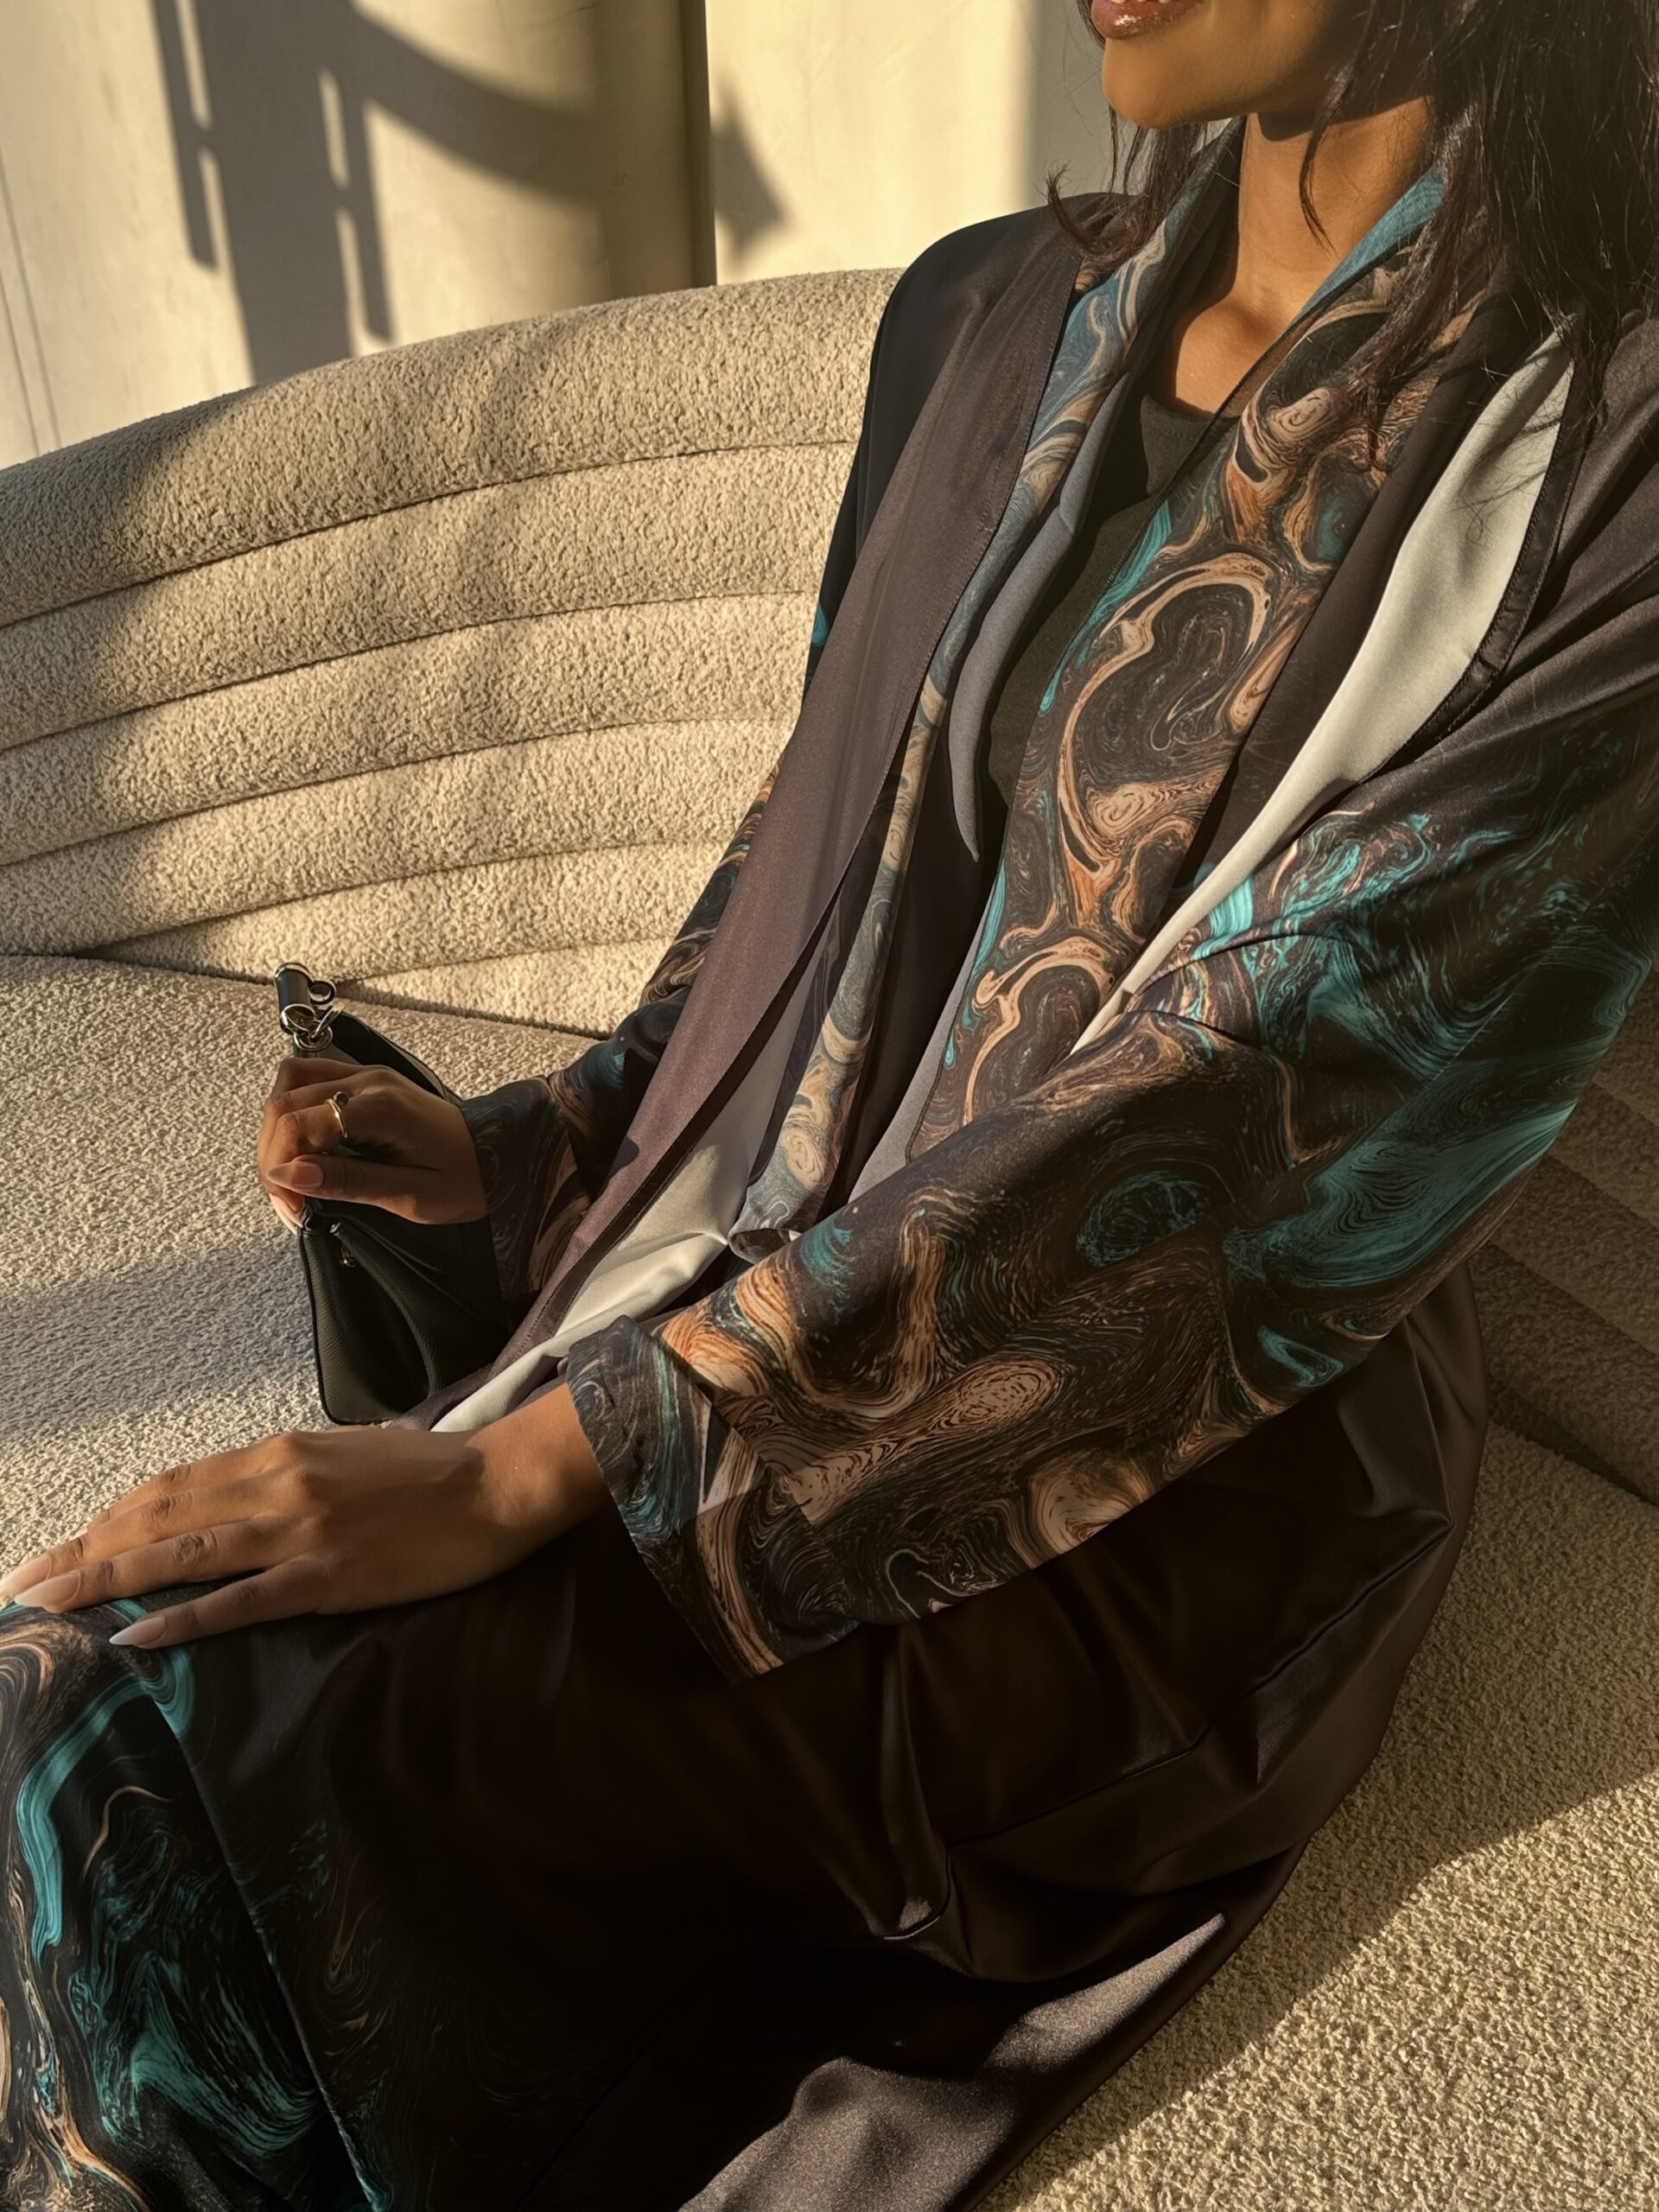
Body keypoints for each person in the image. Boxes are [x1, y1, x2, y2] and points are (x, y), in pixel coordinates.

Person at [3, 1, 1657, 2205]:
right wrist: (548, 1141)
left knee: (136, 1759)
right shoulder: (1000, 319)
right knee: (66, 1697)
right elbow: (825, 857)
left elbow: (1303, 1081)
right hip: (781, 1290)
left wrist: (554, 1458)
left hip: (1173, 1461)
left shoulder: (1614, 457)